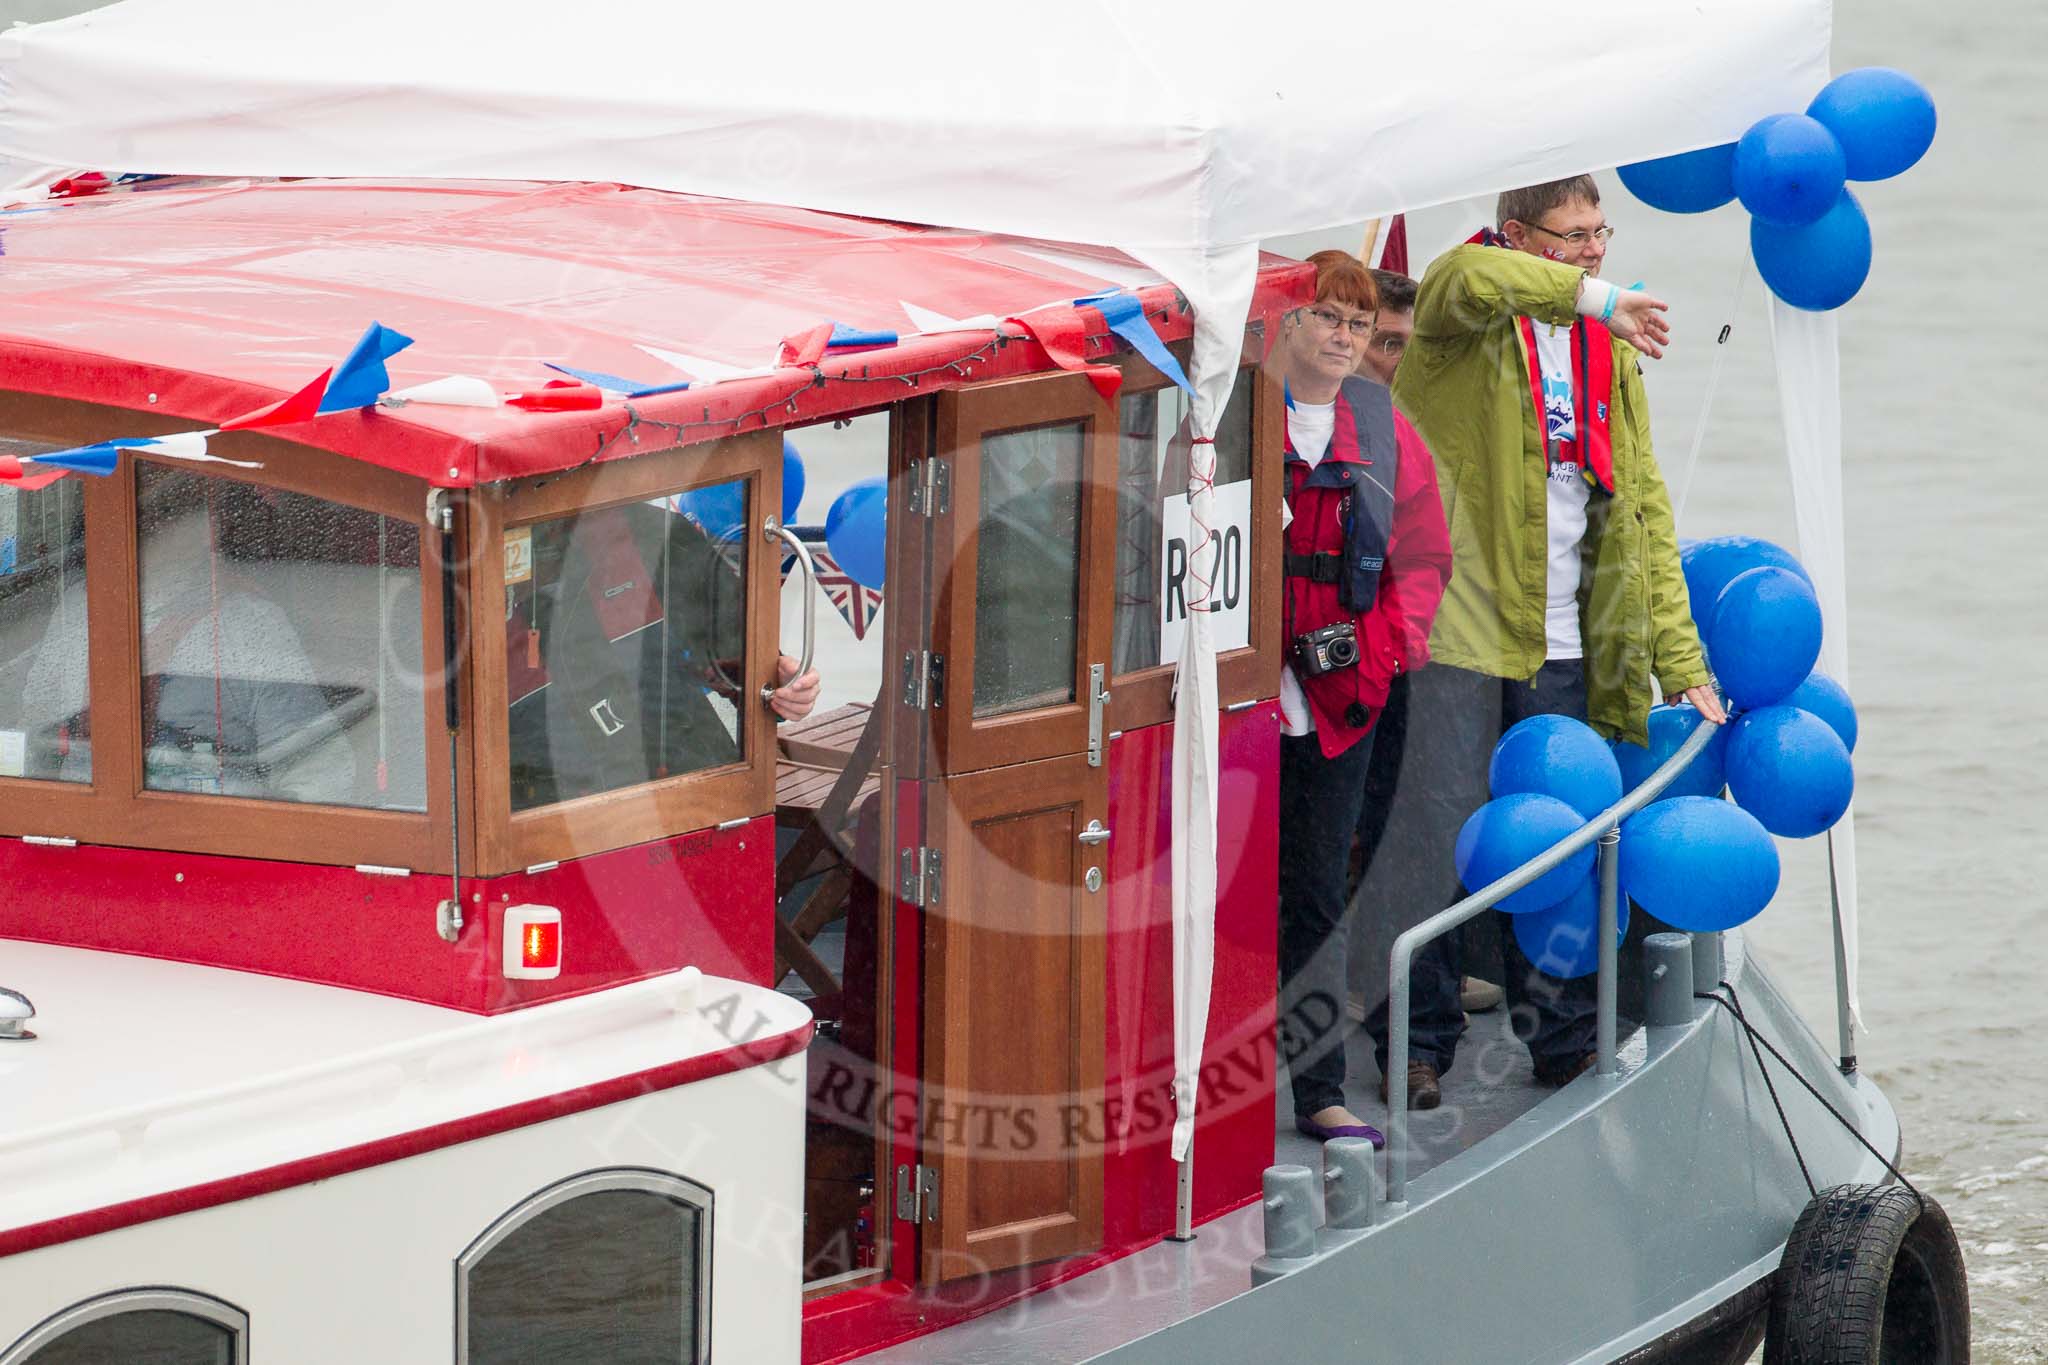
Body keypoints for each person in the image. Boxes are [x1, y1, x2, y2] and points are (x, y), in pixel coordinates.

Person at [1363, 175, 1723, 1108]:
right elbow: (1462, 281)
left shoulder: (1609, 352)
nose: (1595, 251)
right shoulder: (1462, 314)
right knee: (1432, 841)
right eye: (1571, 237)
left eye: (1602, 233)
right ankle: (1419, 1039)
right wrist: (1591, 295)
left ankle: (1563, 1037)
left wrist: (1682, 663)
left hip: (1571, 642)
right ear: (1516, 235)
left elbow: (1642, 509)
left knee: (1566, 840)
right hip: (1459, 633)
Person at [1272, 251, 1452, 1144]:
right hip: (1235, 707)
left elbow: (1424, 556)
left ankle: (1318, 1092)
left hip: (1343, 702)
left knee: (1315, 892)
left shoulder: (1382, 427)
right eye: (1328, 318)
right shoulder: (1232, 422)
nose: (1345, 338)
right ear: (1286, 324)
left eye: (1357, 323)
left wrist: (1385, 653)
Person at [1346, 265, 1506, 1024]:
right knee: (1348, 833)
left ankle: (1410, 986)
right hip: (1310, 674)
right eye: (1382, 342)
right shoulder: (1309, 420)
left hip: (1397, 661)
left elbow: (1425, 553)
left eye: (1405, 344)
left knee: (1413, 822)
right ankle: (1361, 985)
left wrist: (1395, 646)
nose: (1393, 360)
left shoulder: (1413, 422)